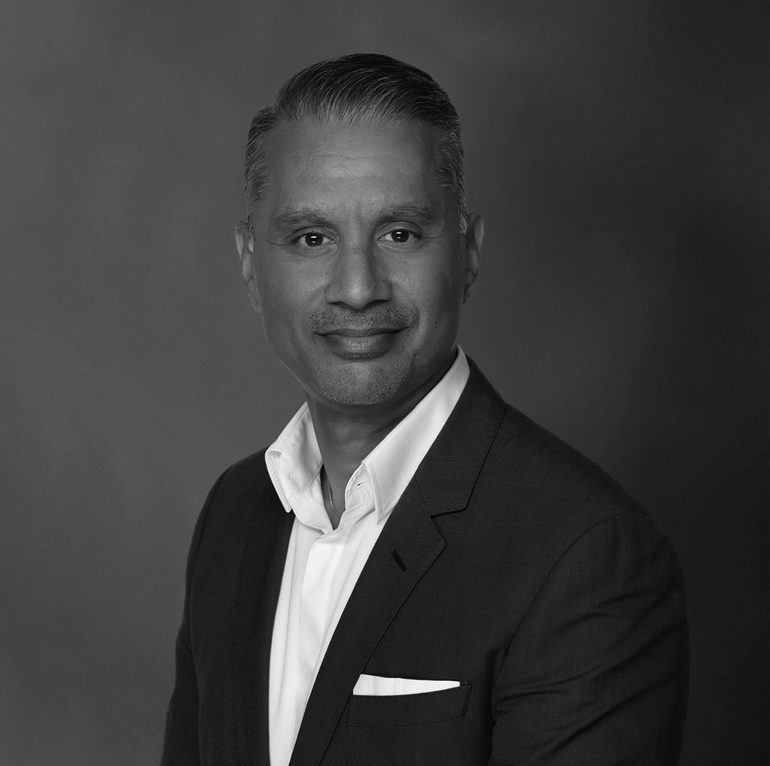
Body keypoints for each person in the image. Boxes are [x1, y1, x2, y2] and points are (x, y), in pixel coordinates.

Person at [160, 53, 688, 765]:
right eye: (312, 238)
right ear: (252, 264)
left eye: (400, 233)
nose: (357, 288)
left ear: (467, 254)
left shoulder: (585, 554)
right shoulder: (233, 516)